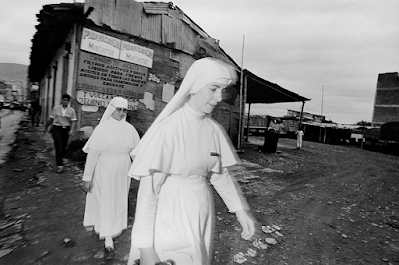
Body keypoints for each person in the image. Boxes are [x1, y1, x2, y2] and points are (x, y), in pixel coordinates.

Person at [127, 58, 257, 265]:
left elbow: (220, 175)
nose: (218, 98)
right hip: (171, 215)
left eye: (222, 90)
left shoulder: (213, 130)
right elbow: (148, 194)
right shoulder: (169, 129)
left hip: (201, 213)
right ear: (195, 86)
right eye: (213, 89)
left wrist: (240, 212)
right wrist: (146, 250)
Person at [82, 97, 140, 260]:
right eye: (119, 110)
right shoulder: (102, 129)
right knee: (106, 199)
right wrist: (87, 177)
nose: (121, 113)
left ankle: (115, 228)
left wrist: (143, 172)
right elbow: (92, 156)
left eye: (124, 110)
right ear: (112, 109)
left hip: (123, 169)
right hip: (105, 168)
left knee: (119, 199)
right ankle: (108, 239)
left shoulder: (130, 129)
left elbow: (136, 153)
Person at [44, 94, 77, 173]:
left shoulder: (72, 110)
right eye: (64, 99)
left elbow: (74, 121)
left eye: (67, 100)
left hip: (66, 129)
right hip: (57, 128)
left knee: (64, 146)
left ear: (69, 101)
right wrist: (46, 127)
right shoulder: (56, 109)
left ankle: (62, 158)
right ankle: (60, 165)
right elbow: (51, 119)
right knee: (58, 145)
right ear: (61, 100)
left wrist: (72, 130)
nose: (65, 101)